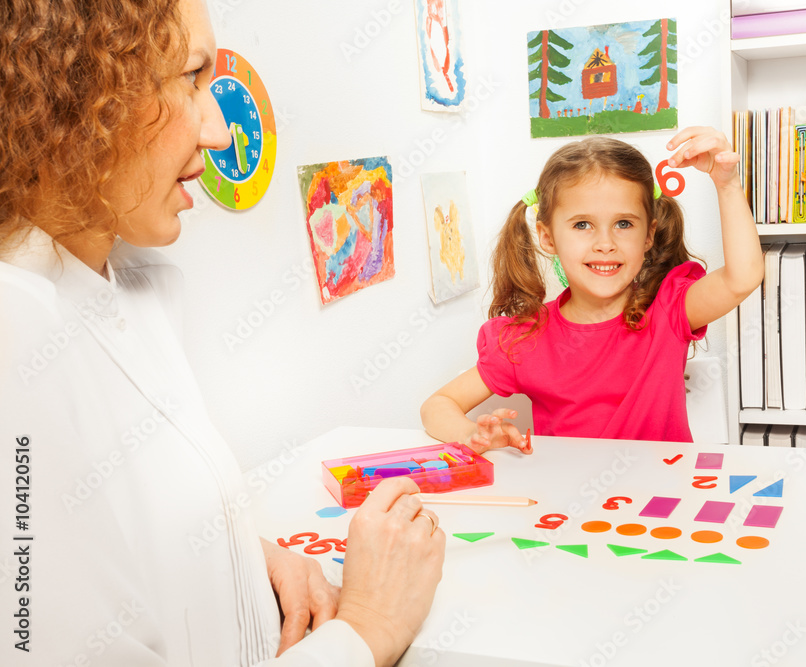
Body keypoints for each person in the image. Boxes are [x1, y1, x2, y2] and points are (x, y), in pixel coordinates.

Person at [0, 1, 443, 666]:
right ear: (80, 99)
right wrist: (370, 626)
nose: (215, 129)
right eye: (189, 78)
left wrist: (236, 553)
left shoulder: (127, 289)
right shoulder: (18, 341)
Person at [421, 132, 763, 453]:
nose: (605, 244)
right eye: (582, 224)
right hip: (567, 507)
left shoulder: (670, 308)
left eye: (624, 224)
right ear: (547, 237)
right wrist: (471, 435)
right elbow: (437, 407)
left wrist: (727, 183)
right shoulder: (523, 338)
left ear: (648, 236)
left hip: (663, 504)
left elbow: (743, 277)